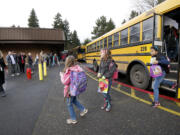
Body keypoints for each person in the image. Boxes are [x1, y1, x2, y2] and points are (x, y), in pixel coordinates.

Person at [60, 56, 88, 125]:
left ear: (67, 62)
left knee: (69, 104)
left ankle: (73, 119)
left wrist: (61, 75)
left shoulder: (70, 70)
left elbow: (65, 82)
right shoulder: (77, 68)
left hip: (70, 91)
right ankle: (83, 109)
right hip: (76, 90)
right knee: (74, 100)